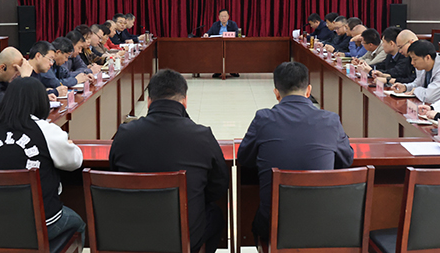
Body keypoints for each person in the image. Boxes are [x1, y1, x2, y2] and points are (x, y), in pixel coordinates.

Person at [109, 69, 228, 253]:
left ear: (149, 102)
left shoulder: (124, 135)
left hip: (131, 234)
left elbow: (114, 175)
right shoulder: (201, 136)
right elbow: (218, 187)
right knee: (216, 215)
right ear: (185, 101)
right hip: (183, 238)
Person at [237, 61, 354, 244]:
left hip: (274, 225)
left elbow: (244, 158)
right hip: (324, 223)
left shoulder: (263, 118)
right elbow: (346, 160)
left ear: (276, 93)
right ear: (308, 91)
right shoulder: (330, 120)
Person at [0, 78, 85, 248]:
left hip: (1, 220)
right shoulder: (46, 130)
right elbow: (74, 161)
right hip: (43, 221)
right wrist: (69, 145)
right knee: (79, 223)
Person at [393, 40, 440, 104]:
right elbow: (418, 84)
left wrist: (415, 90)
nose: (412, 63)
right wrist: (405, 87)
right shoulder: (424, 66)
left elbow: (429, 97)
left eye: (415, 59)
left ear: (427, 58)